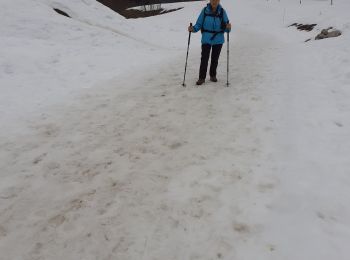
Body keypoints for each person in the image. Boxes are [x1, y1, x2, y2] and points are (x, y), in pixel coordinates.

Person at [188, 0, 231, 85]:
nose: (214, 2)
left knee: (215, 59)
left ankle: (213, 75)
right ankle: (201, 78)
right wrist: (193, 29)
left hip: (218, 39)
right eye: (212, 0)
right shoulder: (204, 10)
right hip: (206, 38)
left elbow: (226, 27)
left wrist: (228, 27)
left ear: (219, 1)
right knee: (204, 58)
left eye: (216, 0)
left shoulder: (222, 11)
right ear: (210, 1)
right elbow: (199, 24)